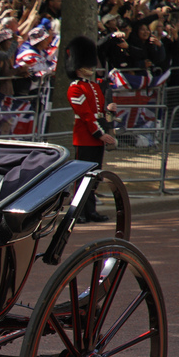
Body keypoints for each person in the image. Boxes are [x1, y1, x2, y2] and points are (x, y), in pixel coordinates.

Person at [65, 36, 118, 223]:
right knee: (82, 178)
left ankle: (91, 211)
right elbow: (86, 116)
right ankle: (77, 213)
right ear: (78, 67)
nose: (91, 66)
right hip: (85, 137)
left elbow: (99, 112)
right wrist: (100, 134)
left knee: (94, 177)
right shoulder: (75, 89)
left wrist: (108, 110)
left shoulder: (95, 87)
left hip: (96, 137)